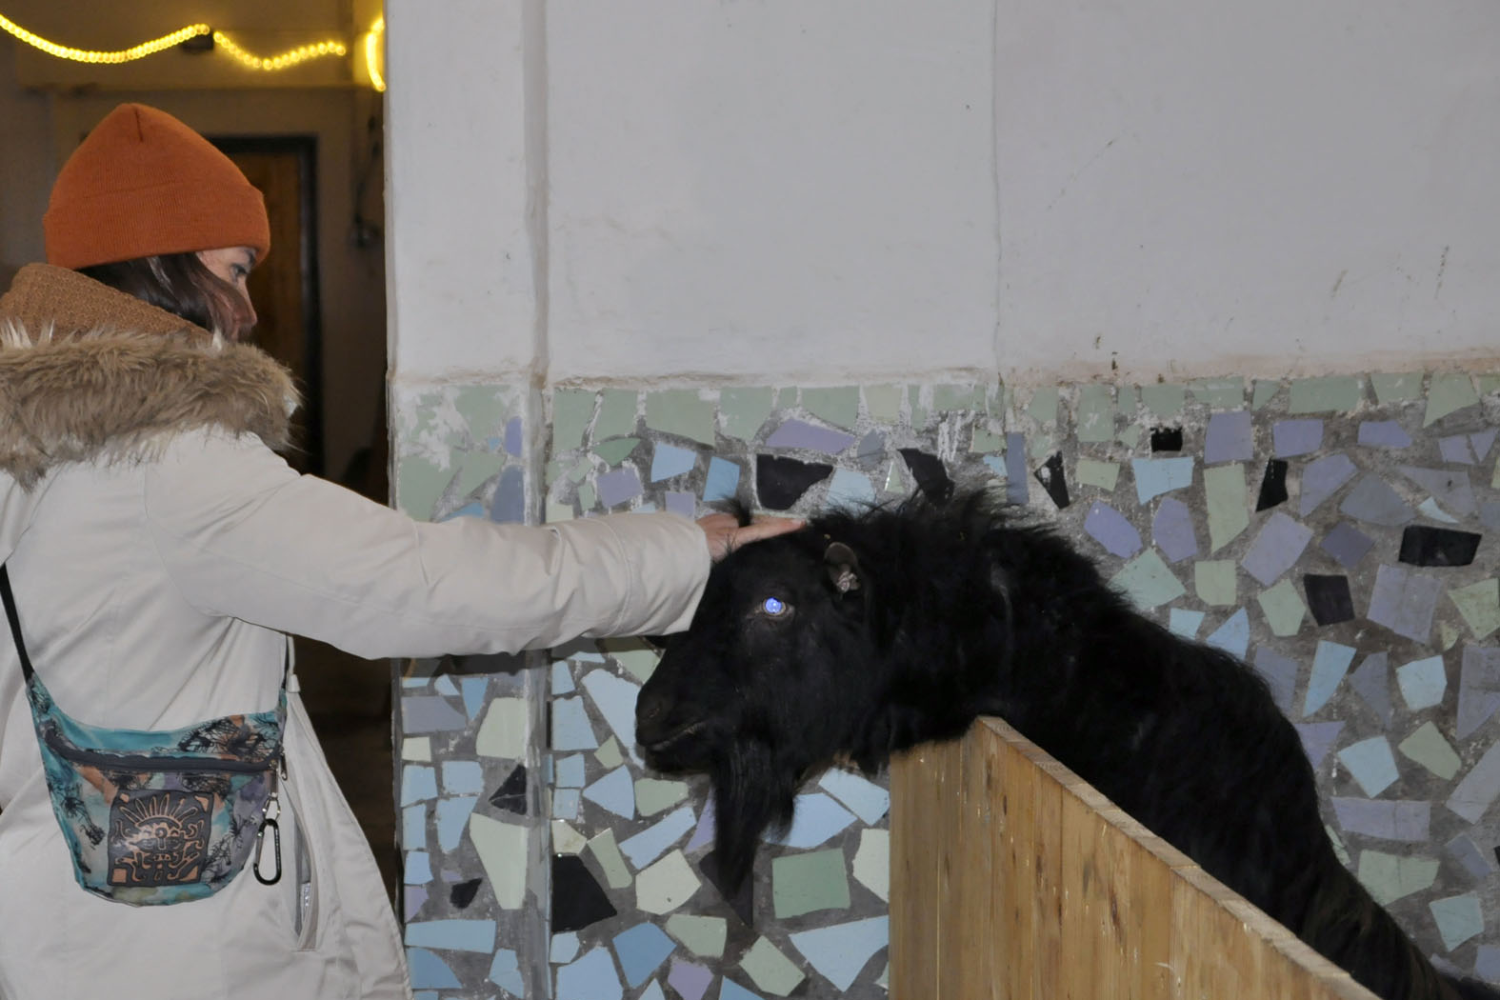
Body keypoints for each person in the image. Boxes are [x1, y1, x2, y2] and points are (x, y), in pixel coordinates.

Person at [0, 103, 798, 999]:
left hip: (62, 911)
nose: (251, 307)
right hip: (174, 946)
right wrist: (684, 555)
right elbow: (426, 584)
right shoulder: (171, 462)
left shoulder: (33, 443)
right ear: (160, 265)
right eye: (235, 270)